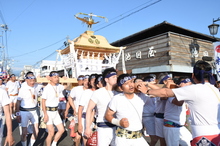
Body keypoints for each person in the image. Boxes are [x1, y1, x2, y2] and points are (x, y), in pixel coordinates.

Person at [137, 60, 220, 145]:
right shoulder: (215, 89)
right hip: (216, 132)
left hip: (203, 135)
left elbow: (166, 92)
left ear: (193, 76)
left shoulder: (194, 89)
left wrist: (147, 90)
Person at [105, 74, 149, 146]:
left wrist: (146, 84)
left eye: (131, 82)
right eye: (126, 83)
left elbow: (161, 93)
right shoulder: (117, 99)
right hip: (123, 138)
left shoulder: (141, 97)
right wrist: (119, 122)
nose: (130, 85)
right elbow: (107, 115)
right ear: (120, 88)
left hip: (139, 137)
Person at [85, 67, 117, 146]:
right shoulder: (98, 93)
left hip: (116, 127)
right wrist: (87, 127)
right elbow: (89, 109)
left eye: (116, 77)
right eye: (113, 77)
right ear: (106, 79)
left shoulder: (118, 93)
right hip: (103, 128)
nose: (116, 79)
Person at [16, 71, 40, 146]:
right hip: (24, 111)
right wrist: (17, 113)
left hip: (34, 111)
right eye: (30, 80)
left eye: (33, 80)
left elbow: (48, 82)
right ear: (26, 80)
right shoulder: (23, 88)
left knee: (36, 131)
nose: (32, 82)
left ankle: (30, 145)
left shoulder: (37, 85)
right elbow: (18, 101)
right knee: (24, 133)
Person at [42, 71, 65, 146]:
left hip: (56, 111)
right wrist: (45, 114)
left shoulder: (58, 86)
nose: (56, 79)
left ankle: (54, 143)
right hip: (48, 112)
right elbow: (43, 101)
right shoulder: (47, 88)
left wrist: (64, 80)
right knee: (51, 133)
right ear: (50, 78)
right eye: (55, 77)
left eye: (57, 77)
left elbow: (66, 86)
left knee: (61, 130)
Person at [65, 75, 88, 146]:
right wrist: (71, 109)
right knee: (77, 135)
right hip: (78, 114)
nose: (86, 82)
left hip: (88, 116)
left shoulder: (91, 90)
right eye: (84, 80)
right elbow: (70, 98)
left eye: (88, 80)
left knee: (86, 136)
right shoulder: (76, 89)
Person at [78, 74, 97, 145]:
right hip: (85, 118)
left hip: (97, 120)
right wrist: (80, 124)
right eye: (92, 80)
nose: (94, 82)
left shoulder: (101, 92)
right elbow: (80, 108)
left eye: (95, 80)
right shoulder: (86, 92)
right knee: (86, 140)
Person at [141, 75, 159, 146]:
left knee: (157, 137)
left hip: (155, 116)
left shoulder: (154, 92)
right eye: (152, 84)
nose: (153, 86)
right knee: (154, 139)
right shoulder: (143, 93)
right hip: (147, 117)